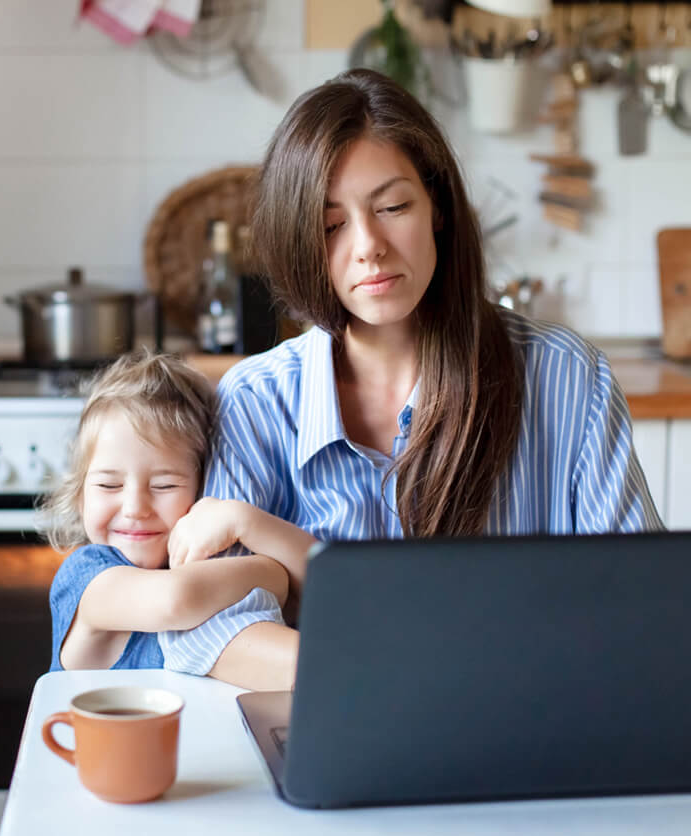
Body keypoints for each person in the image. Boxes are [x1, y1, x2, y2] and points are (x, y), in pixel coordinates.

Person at [164, 67, 663, 688]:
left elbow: (640, 609)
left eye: (393, 206)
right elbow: (208, 627)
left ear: (439, 210)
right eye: (331, 225)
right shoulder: (258, 398)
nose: (368, 245)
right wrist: (394, 671)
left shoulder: (567, 377)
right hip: (333, 746)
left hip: (522, 737)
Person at [42, 350, 313, 690]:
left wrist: (243, 520)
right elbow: (175, 600)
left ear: (201, 492)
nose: (134, 507)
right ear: (80, 497)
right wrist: (273, 572)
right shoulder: (85, 576)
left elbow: (326, 579)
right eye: (109, 484)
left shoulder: (210, 572)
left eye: (164, 485)